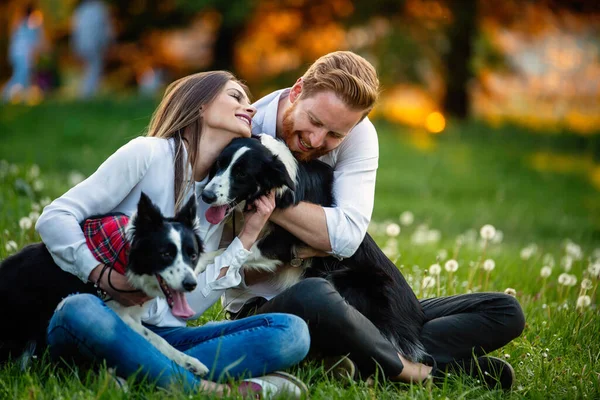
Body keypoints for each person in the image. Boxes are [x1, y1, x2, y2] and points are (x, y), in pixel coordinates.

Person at [222, 51, 525, 390]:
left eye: (335, 135)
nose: (317, 141)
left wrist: (265, 193)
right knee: (316, 295)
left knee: (505, 310)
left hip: (351, 300)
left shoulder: (358, 134)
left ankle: (367, 358)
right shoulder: (244, 130)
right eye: (316, 121)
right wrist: (312, 237)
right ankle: (416, 371)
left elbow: (347, 237)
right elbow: (237, 264)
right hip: (273, 307)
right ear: (297, 91)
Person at [35, 71, 310, 398]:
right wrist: (102, 275)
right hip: (98, 316)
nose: (250, 109)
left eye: (249, 102)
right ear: (200, 105)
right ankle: (210, 390)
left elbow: (187, 307)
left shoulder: (217, 199)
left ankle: (130, 367)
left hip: (161, 335)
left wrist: (247, 237)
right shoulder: (147, 154)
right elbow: (55, 217)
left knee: (291, 332)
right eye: (236, 97)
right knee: (78, 309)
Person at [71, 0, 114, 98]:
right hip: (95, 44)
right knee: (94, 68)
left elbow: (75, 31)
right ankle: (87, 95)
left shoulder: (80, 10)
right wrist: (108, 43)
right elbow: (106, 30)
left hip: (82, 45)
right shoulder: (100, 8)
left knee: (88, 70)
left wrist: (75, 48)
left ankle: (87, 93)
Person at [2, 4, 44, 102]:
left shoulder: (20, 23)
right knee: (20, 76)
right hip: (23, 55)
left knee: (23, 76)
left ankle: (22, 97)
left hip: (17, 54)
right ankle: (5, 95)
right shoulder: (31, 24)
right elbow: (35, 41)